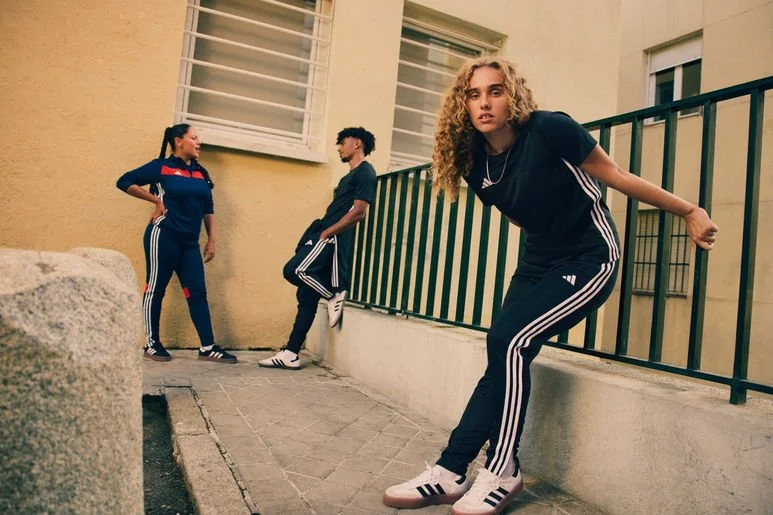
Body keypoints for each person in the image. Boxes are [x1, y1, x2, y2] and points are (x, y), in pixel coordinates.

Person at [383, 57, 718, 514]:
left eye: (495, 91)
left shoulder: (549, 129)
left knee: (508, 339)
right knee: (502, 352)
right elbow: (523, 214)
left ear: (512, 96)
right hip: (538, 259)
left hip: (589, 255)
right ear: (463, 104)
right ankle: (450, 469)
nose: (484, 102)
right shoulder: (473, 160)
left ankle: (502, 468)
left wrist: (689, 211)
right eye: (474, 94)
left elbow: (617, 176)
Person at [116, 124, 237, 364]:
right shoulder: (161, 167)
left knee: (197, 293)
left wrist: (211, 238)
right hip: (163, 236)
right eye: (194, 138)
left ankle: (207, 347)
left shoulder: (201, 173)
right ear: (178, 141)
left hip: (190, 243)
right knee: (155, 288)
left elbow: (208, 208)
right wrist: (155, 200)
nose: (199, 142)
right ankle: (152, 344)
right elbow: (124, 181)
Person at [259, 127, 378, 370]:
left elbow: (359, 212)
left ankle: (333, 294)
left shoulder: (366, 172)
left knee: (294, 271)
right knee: (305, 296)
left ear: (357, 143)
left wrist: (327, 233)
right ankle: (291, 353)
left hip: (330, 238)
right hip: (323, 233)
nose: (339, 148)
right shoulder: (348, 177)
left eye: (343, 142)